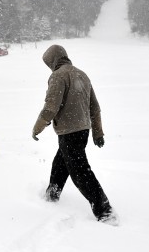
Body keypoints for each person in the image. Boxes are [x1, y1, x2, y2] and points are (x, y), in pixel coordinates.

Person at [32, 44, 117, 225]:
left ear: (53, 60)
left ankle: (105, 211)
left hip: (69, 130)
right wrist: (97, 133)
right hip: (82, 130)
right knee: (61, 161)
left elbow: (51, 107)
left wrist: (38, 127)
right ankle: (52, 194)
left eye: (48, 63)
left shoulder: (58, 76)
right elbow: (95, 107)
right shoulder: (82, 74)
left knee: (80, 172)